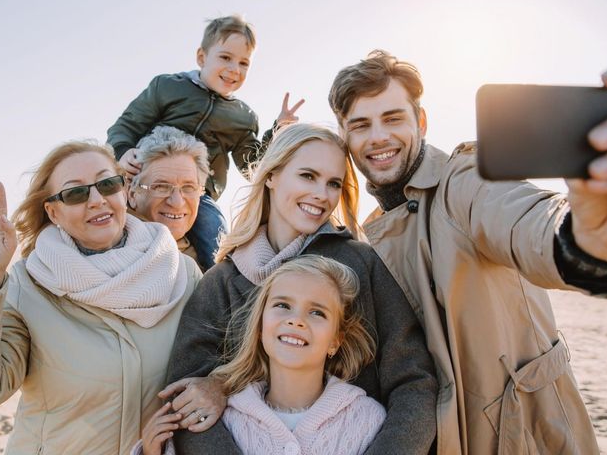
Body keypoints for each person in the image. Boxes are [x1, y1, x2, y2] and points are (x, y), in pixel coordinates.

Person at [328, 50, 607, 454]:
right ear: (346, 137)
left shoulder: (465, 182)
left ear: (421, 121)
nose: (378, 136)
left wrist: (594, 237)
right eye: (361, 125)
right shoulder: (368, 234)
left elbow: (530, 223)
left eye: (393, 118)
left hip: (524, 439)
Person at [161, 123, 438, 454]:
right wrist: (216, 385)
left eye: (333, 183)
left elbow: (413, 382)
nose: (321, 194)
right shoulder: (221, 281)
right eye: (308, 176)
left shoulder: (363, 264)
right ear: (272, 176)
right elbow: (188, 398)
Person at [0, 141, 202, 454]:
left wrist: (213, 387)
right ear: (53, 211)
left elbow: (216, 365)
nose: (96, 200)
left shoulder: (182, 274)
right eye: (75, 193)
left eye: (106, 185)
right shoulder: (29, 285)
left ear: (124, 192)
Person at [107, 14, 304, 271]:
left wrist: (277, 131)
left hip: (199, 192)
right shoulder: (168, 87)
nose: (234, 69)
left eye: (244, 63)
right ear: (202, 57)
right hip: (146, 178)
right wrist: (123, 152)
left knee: (216, 233)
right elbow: (127, 125)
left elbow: (251, 165)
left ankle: (221, 284)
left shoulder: (242, 117)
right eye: (225, 57)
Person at [138, 255, 387, 455]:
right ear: (259, 327)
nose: (296, 320)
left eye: (317, 312)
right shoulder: (225, 418)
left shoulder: (368, 419)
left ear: (335, 341)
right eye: (283, 306)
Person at [127, 126, 210, 266]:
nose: (177, 202)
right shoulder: (109, 255)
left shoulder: (213, 263)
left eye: (188, 187)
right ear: (132, 195)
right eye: (161, 187)